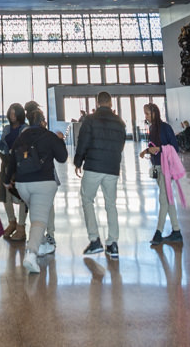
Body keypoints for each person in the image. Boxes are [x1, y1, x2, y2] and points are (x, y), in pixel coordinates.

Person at [8, 105, 68, 273]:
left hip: (22, 184)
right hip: (43, 183)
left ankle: (41, 244)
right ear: (42, 122)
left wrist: (7, 181)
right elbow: (62, 158)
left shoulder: (22, 136)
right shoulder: (49, 136)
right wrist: (60, 140)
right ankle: (31, 254)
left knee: (36, 214)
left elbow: (13, 158)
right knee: (39, 220)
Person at [73, 91, 126, 258]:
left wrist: (78, 161)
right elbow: (122, 143)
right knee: (111, 204)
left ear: (97, 103)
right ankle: (113, 243)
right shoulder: (119, 122)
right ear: (110, 103)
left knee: (87, 200)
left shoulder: (90, 120)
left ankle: (95, 240)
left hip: (94, 166)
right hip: (112, 167)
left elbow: (83, 141)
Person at [139, 103, 183, 245]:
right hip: (157, 166)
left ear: (154, 113)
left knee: (163, 199)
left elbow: (174, 147)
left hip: (166, 168)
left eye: (147, 113)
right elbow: (154, 147)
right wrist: (147, 151)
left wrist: (159, 149)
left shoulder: (165, 128)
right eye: (145, 114)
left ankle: (158, 232)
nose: (145, 116)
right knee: (168, 199)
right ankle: (176, 231)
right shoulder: (152, 129)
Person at [0, 103, 28, 241]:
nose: (12, 116)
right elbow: (2, 146)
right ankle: (12, 222)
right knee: (5, 194)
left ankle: (21, 226)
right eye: (10, 113)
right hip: (6, 162)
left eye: (15, 113)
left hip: (20, 164)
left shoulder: (25, 128)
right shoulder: (7, 128)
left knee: (21, 195)